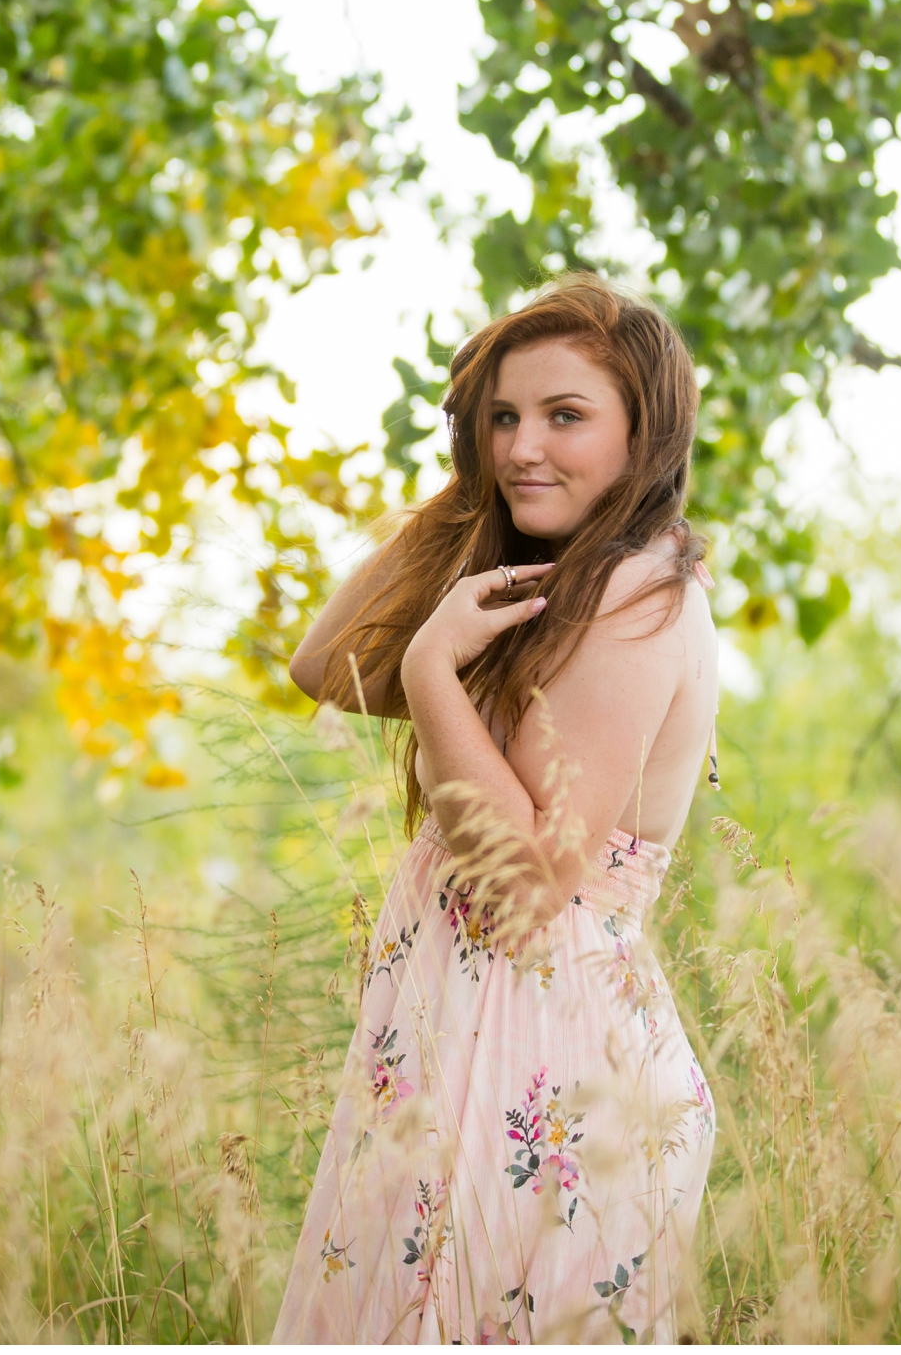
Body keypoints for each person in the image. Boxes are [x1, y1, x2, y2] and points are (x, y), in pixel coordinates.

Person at [272, 273, 721, 1344]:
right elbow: (326, 663)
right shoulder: (555, 582)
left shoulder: (638, 595)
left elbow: (524, 893)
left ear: (642, 431)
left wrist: (434, 666)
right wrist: (484, 490)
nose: (527, 443)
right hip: (477, 1055)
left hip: (553, 1091)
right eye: (504, 417)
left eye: (567, 416)